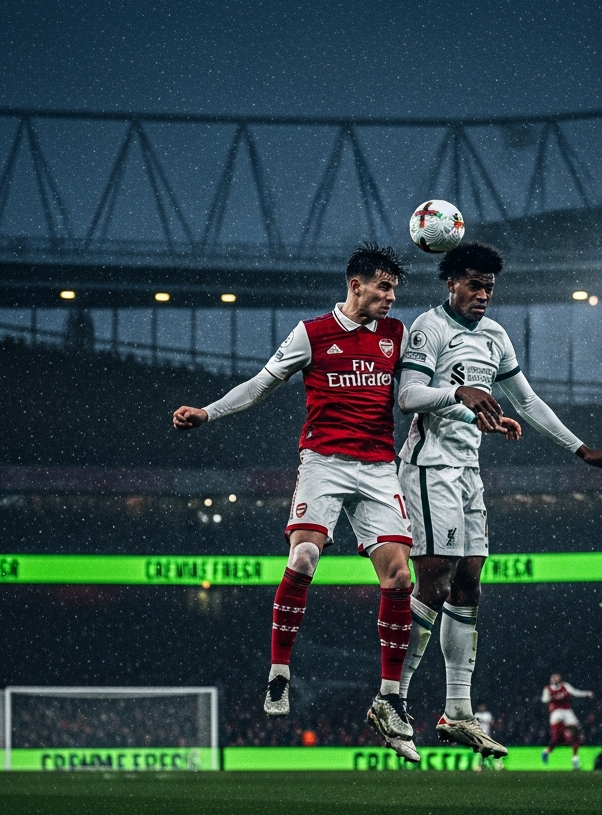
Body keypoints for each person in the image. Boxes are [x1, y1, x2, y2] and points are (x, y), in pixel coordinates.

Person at [172, 243, 503, 764]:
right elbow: (260, 385)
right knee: (304, 557)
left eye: (394, 289)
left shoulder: (397, 336)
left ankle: (391, 699)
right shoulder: (312, 333)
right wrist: (208, 413)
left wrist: (476, 410)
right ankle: (279, 673)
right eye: (384, 288)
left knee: (400, 578)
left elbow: (424, 389)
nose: (391, 297)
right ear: (356, 285)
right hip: (323, 463)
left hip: (378, 468)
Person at [395, 241, 602, 759]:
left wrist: (579, 449)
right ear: (451, 282)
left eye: (489, 287)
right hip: (429, 467)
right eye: (474, 284)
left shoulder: (495, 336)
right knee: (436, 580)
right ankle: (393, 698)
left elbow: (528, 400)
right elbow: (407, 396)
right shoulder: (429, 328)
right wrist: (460, 394)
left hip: (468, 471)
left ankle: (458, 713)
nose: (483, 295)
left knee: (469, 583)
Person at [540, 673, 594, 770]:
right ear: (551, 680)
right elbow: (544, 700)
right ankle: (546, 751)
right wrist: (550, 697)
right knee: (556, 738)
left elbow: (575, 692)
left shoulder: (565, 686)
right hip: (556, 712)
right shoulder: (547, 689)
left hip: (567, 711)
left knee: (576, 734)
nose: (556, 680)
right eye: (554, 678)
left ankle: (575, 760)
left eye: (557, 678)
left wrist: (586, 693)